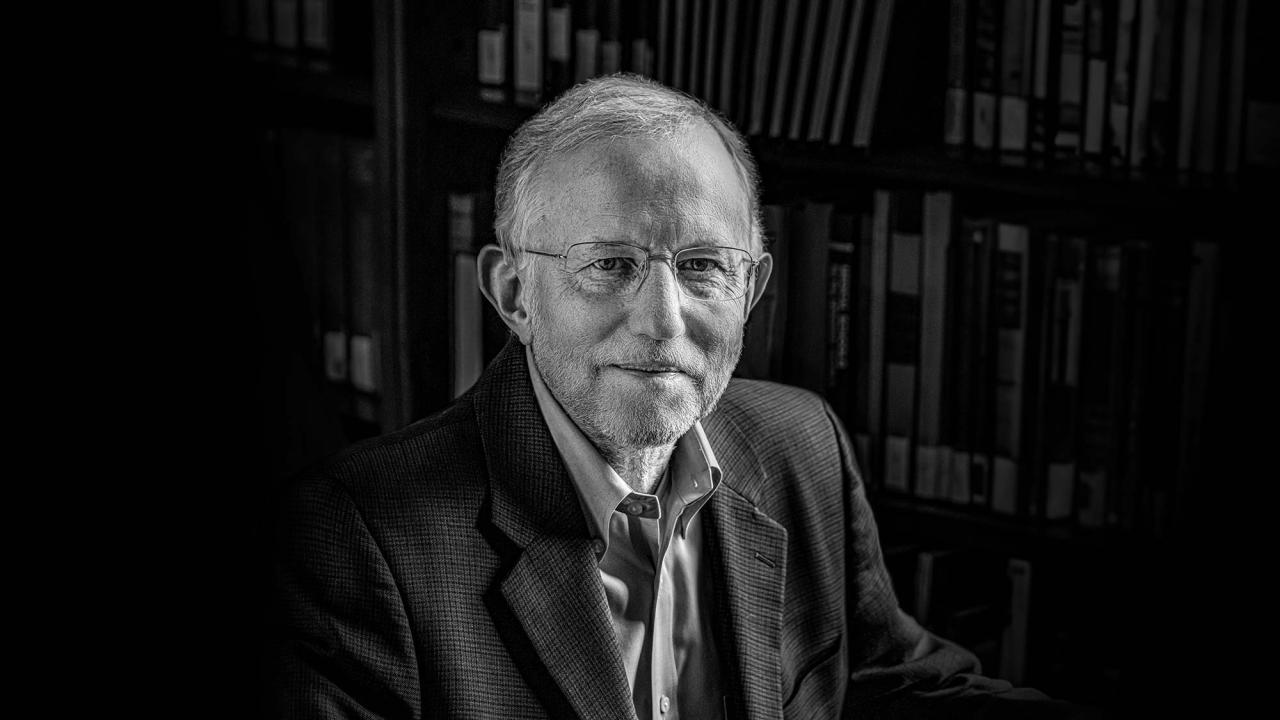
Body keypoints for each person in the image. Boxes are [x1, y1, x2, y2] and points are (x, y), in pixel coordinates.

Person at [269, 74, 1106, 719]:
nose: (663, 322)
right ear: (515, 293)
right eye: (612, 265)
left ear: (754, 288)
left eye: (704, 267)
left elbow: (893, 685)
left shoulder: (798, 445)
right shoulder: (356, 543)